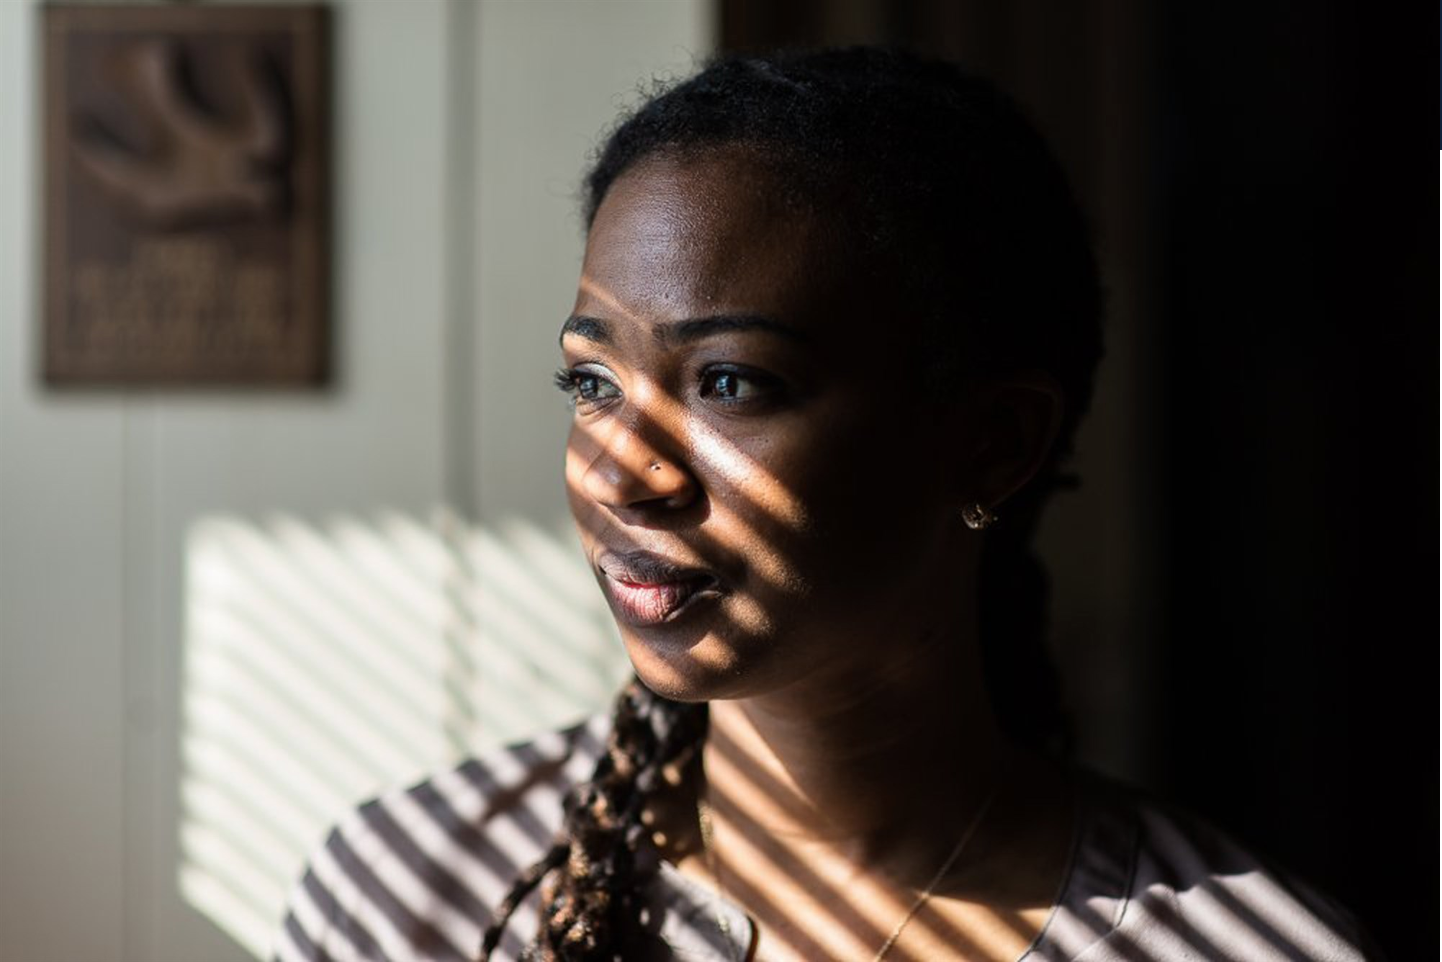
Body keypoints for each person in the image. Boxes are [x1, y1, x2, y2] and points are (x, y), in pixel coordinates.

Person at [274, 48, 1376, 962]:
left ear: (992, 444)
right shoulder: (412, 893)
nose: (619, 470)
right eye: (591, 382)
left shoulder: (1247, 944)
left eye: (728, 382)